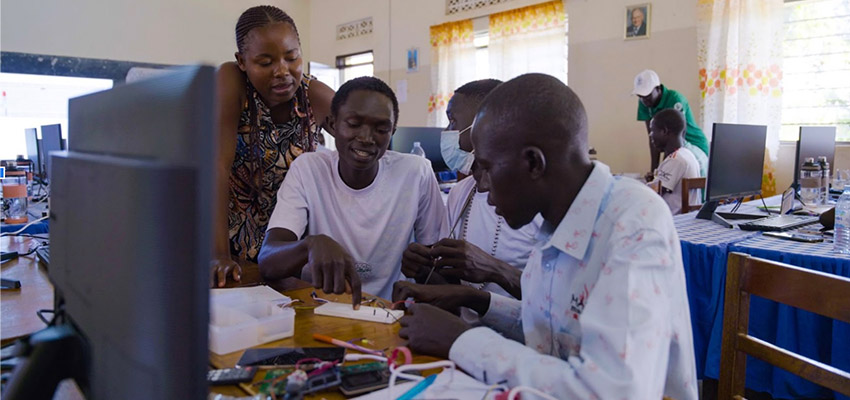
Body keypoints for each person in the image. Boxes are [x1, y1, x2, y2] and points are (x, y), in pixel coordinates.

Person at [395, 73, 697, 399]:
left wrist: (462, 340)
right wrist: (472, 299)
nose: (482, 187)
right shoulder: (556, 224)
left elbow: (613, 391)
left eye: (487, 168)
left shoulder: (633, 223)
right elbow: (553, 335)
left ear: (532, 163)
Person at [257, 76, 447, 303]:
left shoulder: (416, 173)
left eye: (381, 128)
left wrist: (421, 268)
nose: (366, 138)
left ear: (392, 131)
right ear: (333, 123)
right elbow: (268, 260)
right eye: (354, 124)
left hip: (388, 313)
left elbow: (436, 268)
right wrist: (310, 244)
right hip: (320, 311)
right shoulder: (309, 169)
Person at [212, 5, 336, 287]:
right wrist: (217, 254)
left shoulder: (314, 95)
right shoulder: (231, 82)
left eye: (291, 58)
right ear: (242, 61)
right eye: (265, 63)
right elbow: (216, 167)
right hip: (227, 236)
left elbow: (363, 136)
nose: (282, 71)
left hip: (288, 243)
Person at [401, 79, 541, 307]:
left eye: (453, 121)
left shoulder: (538, 204)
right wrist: (421, 270)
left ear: (485, 124)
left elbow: (560, 303)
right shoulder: (462, 192)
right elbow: (453, 287)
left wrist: (495, 269)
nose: (446, 132)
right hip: (466, 334)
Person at [633, 69, 708, 179]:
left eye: (647, 95)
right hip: (676, 148)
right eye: (640, 96)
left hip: (693, 145)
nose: (644, 100)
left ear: (658, 89)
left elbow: (674, 139)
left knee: (691, 187)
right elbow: (653, 138)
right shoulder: (644, 102)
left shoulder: (675, 100)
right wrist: (654, 171)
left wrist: (662, 171)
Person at [647, 109, 701, 215]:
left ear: (664, 131)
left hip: (674, 220)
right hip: (687, 217)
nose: (650, 135)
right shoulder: (687, 154)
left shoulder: (675, 160)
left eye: (653, 130)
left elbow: (652, 193)